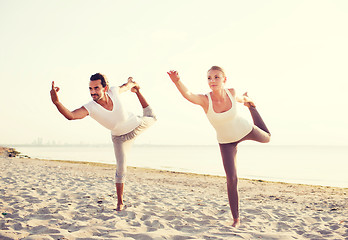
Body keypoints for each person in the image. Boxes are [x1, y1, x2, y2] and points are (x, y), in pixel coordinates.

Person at [167, 66, 270, 228]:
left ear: (224, 79)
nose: (212, 81)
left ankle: (253, 108)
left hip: (244, 130)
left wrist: (247, 101)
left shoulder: (232, 92)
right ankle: (236, 219)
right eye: (209, 78)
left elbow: (241, 99)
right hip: (226, 142)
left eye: (216, 77)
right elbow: (189, 95)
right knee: (232, 179)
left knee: (267, 138)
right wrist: (177, 81)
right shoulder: (205, 100)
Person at [50, 73, 156, 211]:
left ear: (105, 88)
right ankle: (120, 203)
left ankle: (138, 93)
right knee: (121, 169)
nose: (92, 92)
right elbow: (71, 116)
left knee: (152, 117)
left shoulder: (114, 91)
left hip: (136, 125)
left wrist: (133, 85)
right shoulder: (90, 107)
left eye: (96, 88)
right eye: (90, 89)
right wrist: (57, 102)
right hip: (120, 138)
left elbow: (126, 86)